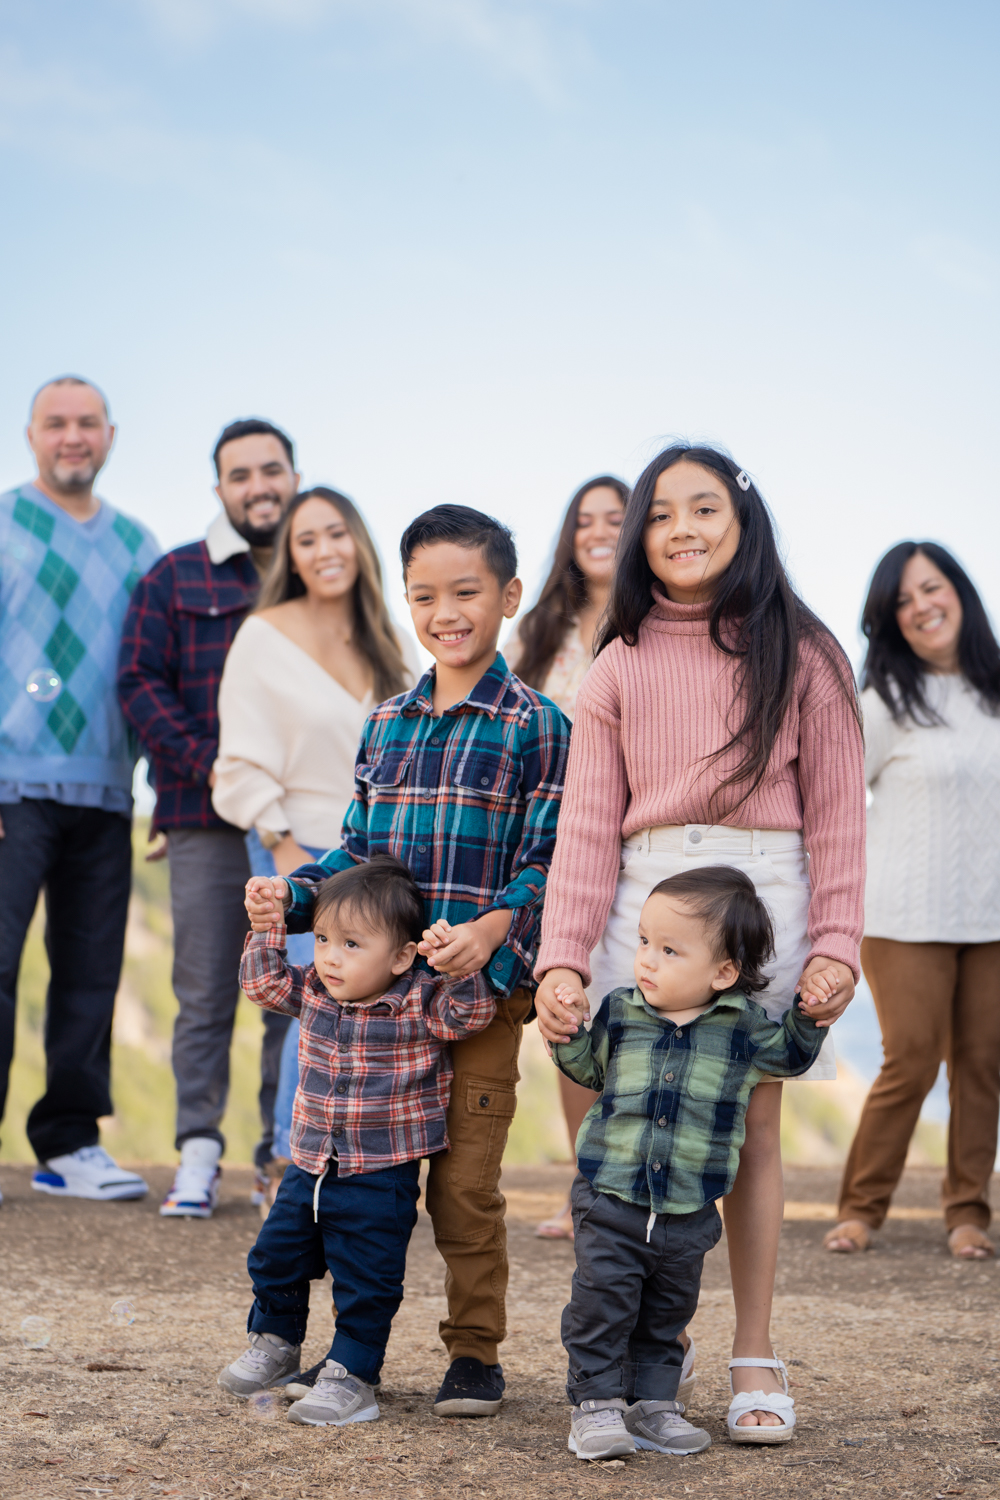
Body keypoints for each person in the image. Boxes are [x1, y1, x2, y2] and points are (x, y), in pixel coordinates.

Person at [533, 443, 865, 1441]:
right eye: (662, 512)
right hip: (643, 890)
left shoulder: (802, 651)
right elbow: (587, 826)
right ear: (639, 534)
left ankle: (753, 1350)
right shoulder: (617, 661)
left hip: (763, 892)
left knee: (748, 1123)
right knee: (628, 1123)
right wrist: (561, 952)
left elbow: (838, 812)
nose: (682, 527)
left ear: (741, 519)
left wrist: (837, 939)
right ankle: (637, 1356)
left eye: (704, 507)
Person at [245, 504, 571, 1418]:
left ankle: (475, 1354)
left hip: (476, 997)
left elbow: (550, 862)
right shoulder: (385, 722)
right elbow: (355, 853)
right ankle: (353, 1358)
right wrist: (295, 899)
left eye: (465, 592)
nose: (444, 612)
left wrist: (497, 929)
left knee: (463, 1190)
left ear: (507, 596)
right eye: (424, 595)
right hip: (373, 1013)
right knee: (358, 1192)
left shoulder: (539, 725)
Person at [553, 867, 831, 1459]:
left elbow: (790, 1057)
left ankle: (655, 1405)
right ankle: (596, 1406)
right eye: (645, 943)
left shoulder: (746, 1031)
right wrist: (567, 1033)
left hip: (688, 1210)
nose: (647, 960)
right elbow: (588, 1070)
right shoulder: (621, 1013)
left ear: (723, 972)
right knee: (600, 1305)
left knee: (667, 1312)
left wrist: (808, 1017)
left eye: (670, 950)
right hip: (613, 1198)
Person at [219, 856, 496, 1425]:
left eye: (350, 944)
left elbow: (470, 1016)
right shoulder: (315, 990)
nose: (329, 955)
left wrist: (458, 965)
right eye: (322, 938)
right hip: (309, 1164)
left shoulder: (420, 1000)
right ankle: (275, 1338)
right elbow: (261, 982)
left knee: (365, 1280)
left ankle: (354, 1372)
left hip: (379, 1174)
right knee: (276, 1257)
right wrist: (270, 923)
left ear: (400, 956)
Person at [211, 487, 420, 1210]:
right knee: (316, 1010)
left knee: (376, 1017)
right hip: (297, 846)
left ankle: (358, 1172)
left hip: (381, 859)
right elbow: (237, 760)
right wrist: (280, 848)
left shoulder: (386, 638)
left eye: (337, 533)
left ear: (358, 542)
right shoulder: (263, 634)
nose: (325, 550)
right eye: (307, 539)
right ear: (291, 557)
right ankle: (293, 1174)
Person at [118, 418, 300, 1218]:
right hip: (201, 815)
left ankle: (277, 1159)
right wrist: (215, 770)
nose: (259, 486)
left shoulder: (317, 576)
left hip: (297, 825)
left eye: (272, 470)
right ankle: (198, 1150)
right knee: (203, 989)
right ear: (220, 487)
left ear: (293, 476)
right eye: (241, 474)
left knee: (294, 989)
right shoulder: (173, 577)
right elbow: (139, 684)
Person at [0, 376, 158, 1203]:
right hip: (8, 792)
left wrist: (166, 785)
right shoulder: (1, 523)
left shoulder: (140, 546)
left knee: (90, 973)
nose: (72, 436)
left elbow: (160, 677)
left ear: (109, 435)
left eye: (86, 423)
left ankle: (69, 1143)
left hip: (105, 791)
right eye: (56, 423)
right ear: (31, 435)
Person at [825, 543, 1000, 1261]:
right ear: (889, 621)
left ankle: (967, 1215)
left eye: (932, 588)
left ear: (958, 592)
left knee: (984, 1063)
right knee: (913, 1060)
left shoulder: (995, 691)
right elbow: (838, 803)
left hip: (991, 917)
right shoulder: (883, 703)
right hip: (904, 916)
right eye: (903, 600)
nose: (922, 606)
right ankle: (862, 1209)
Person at [505, 474, 628, 1241]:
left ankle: (637, 1189)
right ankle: (584, 1192)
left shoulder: (654, 623)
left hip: (637, 837)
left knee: (642, 1010)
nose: (599, 531)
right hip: (555, 839)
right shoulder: (538, 635)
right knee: (568, 1013)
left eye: (616, 518)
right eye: (585, 520)